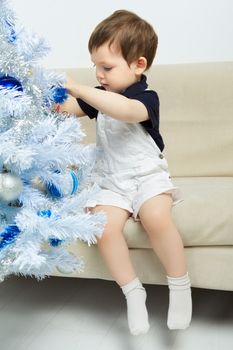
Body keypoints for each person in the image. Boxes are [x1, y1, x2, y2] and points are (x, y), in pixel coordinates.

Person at [57, 9, 192, 336]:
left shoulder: (144, 98)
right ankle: (133, 292)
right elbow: (69, 108)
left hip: (146, 176)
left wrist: (82, 88)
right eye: (95, 67)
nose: (100, 75)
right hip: (112, 180)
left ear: (139, 65)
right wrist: (48, 96)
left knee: (157, 217)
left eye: (107, 67)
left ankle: (180, 286)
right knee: (103, 228)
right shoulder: (100, 95)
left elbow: (126, 112)